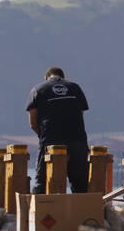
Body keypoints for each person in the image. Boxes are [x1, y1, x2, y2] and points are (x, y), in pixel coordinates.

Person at [26, 66, 89, 194]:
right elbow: (81, 113)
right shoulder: (75, 88)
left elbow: (33, 122)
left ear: (46, 78)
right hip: (77, 139)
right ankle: (82, 211)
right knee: (81, 182)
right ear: (63, 77)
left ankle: (39, 211)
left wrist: (45, 137)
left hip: (50, 140)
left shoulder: (38, 89)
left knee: (42, 181)